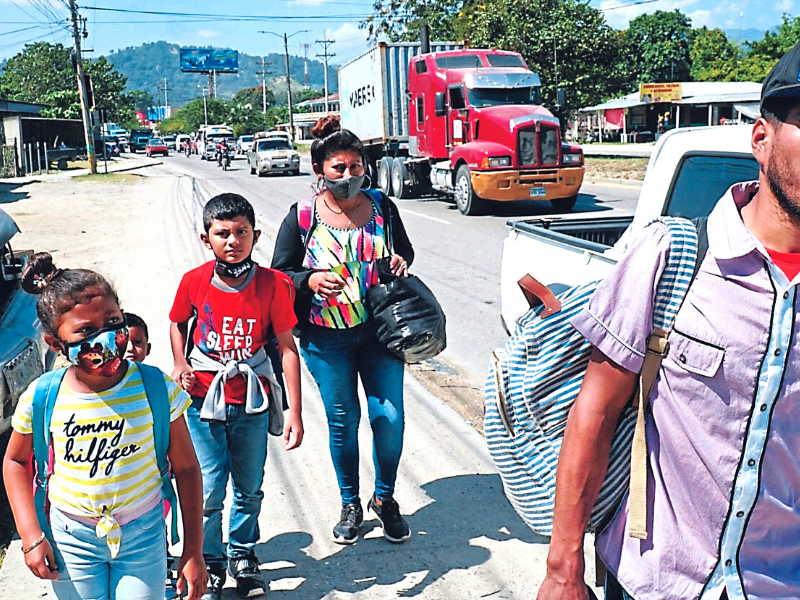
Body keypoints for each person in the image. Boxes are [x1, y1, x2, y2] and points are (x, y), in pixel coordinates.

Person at [537, 42, 800, 600]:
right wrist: (564, 569)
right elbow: (597, 409)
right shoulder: (673, 256)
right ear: (761, 138)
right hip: (653, 579)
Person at [2, 254, 207, 600]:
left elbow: (186, 469)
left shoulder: (157, 389)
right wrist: (30, 535)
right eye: (85, 331)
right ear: (56, 344)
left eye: (113, 321)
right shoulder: (43, 396)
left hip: (143, 535)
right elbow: (15, 462)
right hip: (70, 540)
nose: (107, 338)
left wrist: (193, 550)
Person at [271, 115, 415, 546]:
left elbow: (404, 250)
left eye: (356, 167)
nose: (349, 176)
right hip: (325, 339)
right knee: (344, 421)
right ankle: (350, 502)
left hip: (380, 334)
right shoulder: (302, 215)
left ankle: (384, 499)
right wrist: (308, 280)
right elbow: (280, 273)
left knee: (388, 418)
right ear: (320, 172)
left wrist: (399, 262)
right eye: (339, 168)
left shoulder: (383, 207)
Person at [170, 193, 303, 600]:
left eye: (241, 232)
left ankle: (243, 554)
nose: (232, 240)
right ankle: (208, 559)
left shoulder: (274, 284)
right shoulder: (194, 281)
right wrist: (180, 364)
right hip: (202, 402)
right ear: (205, 238)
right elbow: (177, 323)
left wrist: (294, 410)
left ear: (255, 235)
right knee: (209, 486)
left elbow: (286, 347)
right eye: (222, 233)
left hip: (253, 401)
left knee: (249, 485)